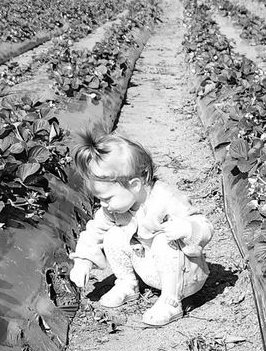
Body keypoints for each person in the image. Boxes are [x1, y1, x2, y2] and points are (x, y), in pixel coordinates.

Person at [68, 132, 212, 327]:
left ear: (135, 185)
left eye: (107, 198)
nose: (104, 205)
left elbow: (204, 226)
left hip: (183, 276)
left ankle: (171, 302)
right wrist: (84, 260)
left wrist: (185, 229)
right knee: (113, 235)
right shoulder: (116, 208)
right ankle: (127, 283)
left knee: (163, 240)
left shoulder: (166, 199)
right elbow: (95, 230)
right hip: (150, 269)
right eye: (100, 199)